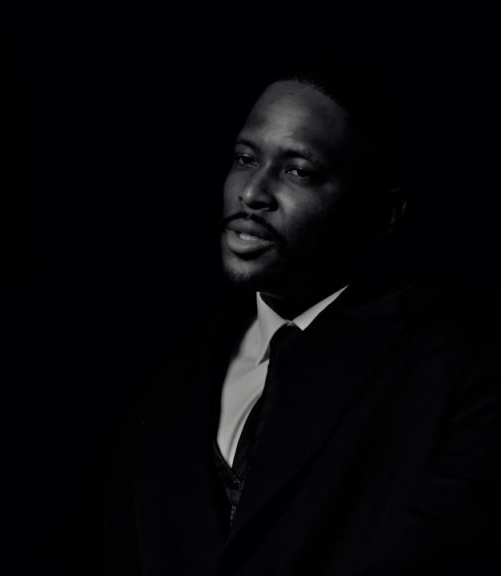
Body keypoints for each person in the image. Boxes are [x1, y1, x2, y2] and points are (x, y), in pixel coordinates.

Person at [104, 58, 500, 575]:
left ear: (383, 213)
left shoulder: (455, 370)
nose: (252, 193)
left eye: (298, 171)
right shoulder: (167, 372)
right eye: (245, 158)